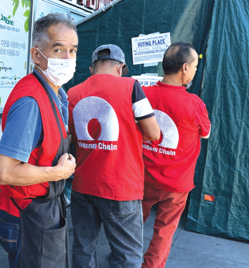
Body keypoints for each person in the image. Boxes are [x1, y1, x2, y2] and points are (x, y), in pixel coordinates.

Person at [0, 13, 77, 268]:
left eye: (73, 50)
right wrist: (57, 172)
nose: (68, 59)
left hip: (44, 210)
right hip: (27, 214)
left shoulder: (56, 95)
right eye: (58, 49)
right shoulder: (31, 101)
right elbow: (4, 172)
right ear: (37, 55)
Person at [68, 44, 160, 268]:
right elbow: (154, 133)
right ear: (121, 68)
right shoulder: (132, 87)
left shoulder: (72, 93)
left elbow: (69, 140)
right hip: (121, 188)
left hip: (82, 186)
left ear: (91, 69)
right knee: (126, 255)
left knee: (83, 248)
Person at [140, 42, 211, 268]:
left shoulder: (142, 95)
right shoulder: (195, 104)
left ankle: (123, 258)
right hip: (176, 184)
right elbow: (206, 133)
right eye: (195, 66)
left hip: (142, 178)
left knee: (130, 224)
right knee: (165, 230)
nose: (195, 71)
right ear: (184, 68)